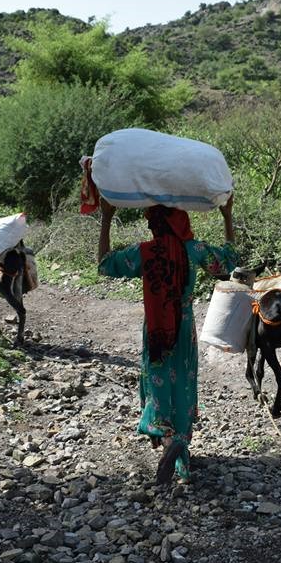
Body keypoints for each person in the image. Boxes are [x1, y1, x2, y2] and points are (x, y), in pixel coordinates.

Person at [97, 197, 238, 485]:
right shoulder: (194, 250)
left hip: (158, 331)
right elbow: (229, 261)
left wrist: (107, 217)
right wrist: (227, 216)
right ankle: (181, 461)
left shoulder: (145, 252)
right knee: (182, 386)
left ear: (155, 224)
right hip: (185, 330)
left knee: (157, 385)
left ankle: (169, 438)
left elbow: (104, 264)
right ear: (181, 222)